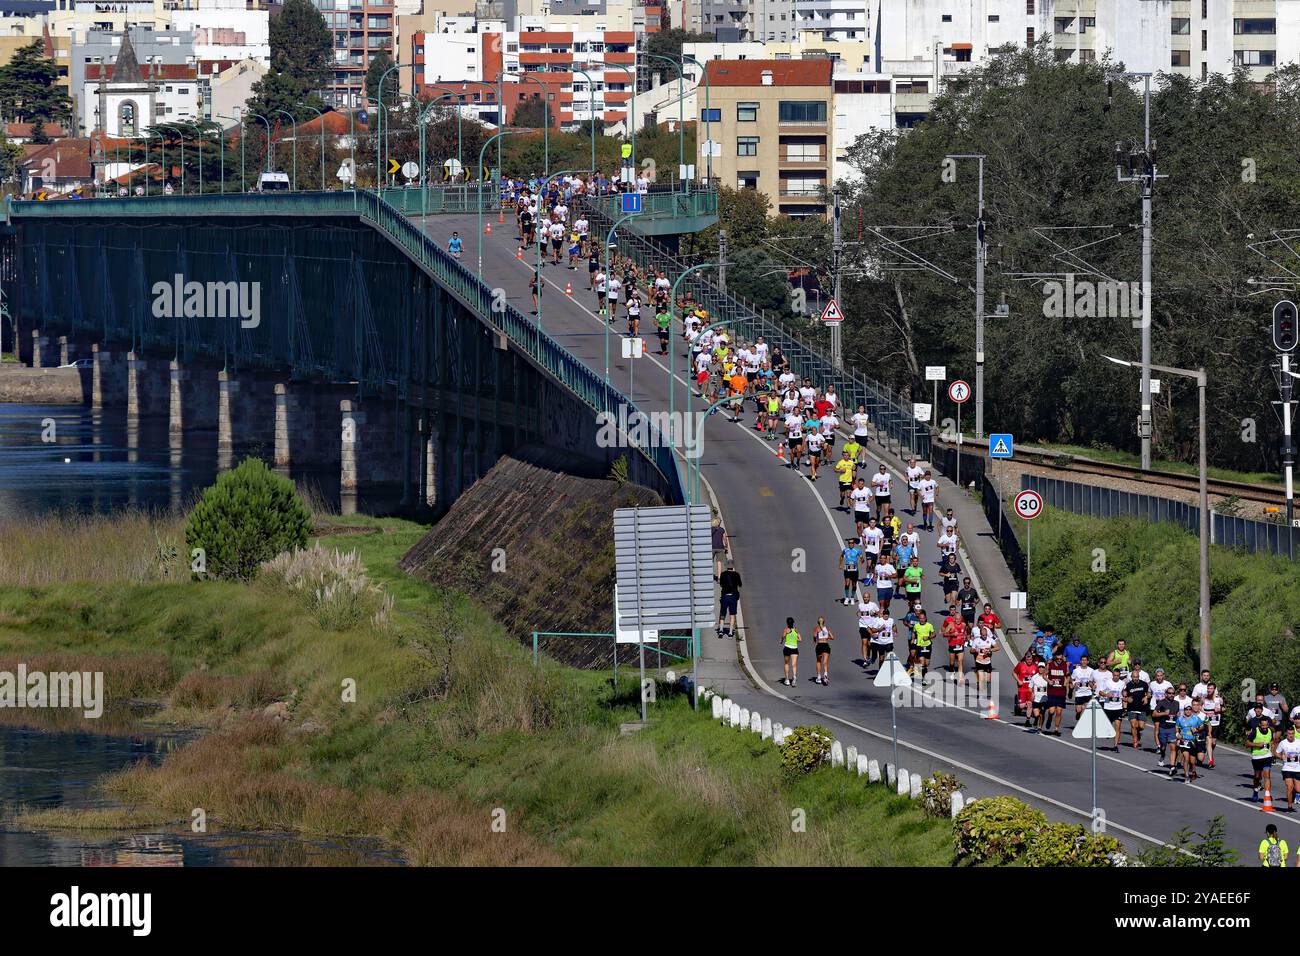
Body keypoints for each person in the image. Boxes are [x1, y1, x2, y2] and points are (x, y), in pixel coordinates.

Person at [1174, 703, 1204, 782]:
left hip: (1193, 741)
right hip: (1184, 741)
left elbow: (1202, 726)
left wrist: (1197, 729)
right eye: (1186, 709)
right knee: (1186, 759)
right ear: (1184, 710)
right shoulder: (1180, 719)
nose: (1188, 711)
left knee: (1192, 761)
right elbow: (1177, 727)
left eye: (1189, 709)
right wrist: (1177, 735)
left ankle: (1193, 771)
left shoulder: (1196, 718)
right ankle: (1187, 776)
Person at [1250, 714, 1277, 802]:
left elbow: (1273, 742)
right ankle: (1255, 791)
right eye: (1263, 725)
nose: (1265, 727)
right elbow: (1246, 743)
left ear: (1268, 724)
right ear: (1260, 725)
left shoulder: (1270, 731)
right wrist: (1257, 744)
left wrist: (1273, 754)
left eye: (1266, 725)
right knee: (1257, 777)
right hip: (1256, 757)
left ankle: (1267, 794)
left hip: (1267, 756)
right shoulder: (1255, 731)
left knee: (1267, 775)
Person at [1044, 648, 1070, 735]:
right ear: (1055, 657)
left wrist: (1066, 682)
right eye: (1058, 659)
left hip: (1061, 692)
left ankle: (1056, 729)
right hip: (1052, 691)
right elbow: (1044, 675)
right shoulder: (1050, 665)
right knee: (1051, 711)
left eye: (1060, 659)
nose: (1059, 660)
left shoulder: (1064, 665)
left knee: (1059, 711)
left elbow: (1068, 675)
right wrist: (1049, 681)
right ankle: (1050, 718)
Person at [969, 623, 998, 699]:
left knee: (988, 680)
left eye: (985, 635)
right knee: (982, 679)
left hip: (987, 662)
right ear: (980, 634)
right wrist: (975, 650)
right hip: (979, 662)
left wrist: (990, 650)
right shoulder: (976, 640)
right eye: (983, 635)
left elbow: (997, 648)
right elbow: (970, 650)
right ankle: (981, 694)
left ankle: (980, 685)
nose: (984, 637)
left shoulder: (990, 640)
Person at [1124, 669, 1150, 750]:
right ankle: (1135, 741)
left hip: (1142, 708)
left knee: (1141, 726)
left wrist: (1146, 697)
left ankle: (1138, 733)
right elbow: (1124, 696)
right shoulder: (1128, 685)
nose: (1135, 678)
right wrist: (1127, 699)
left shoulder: (1144, 684)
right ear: (1131, 677)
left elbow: (1149, 693)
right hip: (1131, 708)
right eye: (1134, 677)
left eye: (1137, 677)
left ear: (1139, 676)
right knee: (1133, 725)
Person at [1276, 725, 1300, 812]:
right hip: (1287, 768)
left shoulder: (1298, 742)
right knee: (1289, 787)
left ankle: (1295, 791)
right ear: (1286, 734)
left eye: (1292, 734)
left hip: (1297, 768)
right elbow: (1276, 753)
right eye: (1289, 734)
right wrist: (1281, 756)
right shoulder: (1283, 743)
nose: (1291, 735)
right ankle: (1289, 806)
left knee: (1298, 789)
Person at [942, 604, 968, 684]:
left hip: (960, 646)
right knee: (952, 662)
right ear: (954, 619)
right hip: (952, 645)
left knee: (960, 661)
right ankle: (951, 671)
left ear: (961, 619)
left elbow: (965, 633)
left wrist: (965, 638)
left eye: (959, 619)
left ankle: (960, 677)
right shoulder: (951, 625)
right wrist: (952, 635)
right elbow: (944, 634)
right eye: (956, 619)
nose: (958, 620)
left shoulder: (963, 625)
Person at [1152, 691, 1178, 769]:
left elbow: (1177, 714)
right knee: (1163, 747)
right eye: (1169, 693)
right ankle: (1162, 755)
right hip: (1163, 728)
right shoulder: (1161, 702)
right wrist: (1164, 713)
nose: (1171, 695)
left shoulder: (1176, 703)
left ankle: (1172, 766)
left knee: (1173, 747)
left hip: (1172, 728)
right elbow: (1154, 714)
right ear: (1166, 694)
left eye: (1173, 693)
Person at [717, 561, 741, 638]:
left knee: (723, 613)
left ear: (727, 566)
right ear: (733, 567)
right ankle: (730, 632)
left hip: (725, 596)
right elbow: (740, 584)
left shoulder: (723, 574)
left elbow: (720, 584)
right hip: (733, 596)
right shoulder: (736, 574)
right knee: (732, 615)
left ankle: (721, 630)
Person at [1014, 649, 1038, 723]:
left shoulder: (1035, 666)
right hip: (1022, 688)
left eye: (1030, 659)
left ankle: (1027, 721)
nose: (1029, 661)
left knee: (1030, 704)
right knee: (1022, 706)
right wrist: (1018, 680)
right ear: (1025, 658)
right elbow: (1014, 673)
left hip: (1031, 689)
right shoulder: (1020, 665)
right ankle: (1017, 703)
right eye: (1028, 659)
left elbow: (1038, 676)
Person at [910, 609, 934, 680]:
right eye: (920, 618)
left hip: (928, 646)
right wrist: (913, 639)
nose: (922, 620)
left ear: (925, 618)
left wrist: (928, 637)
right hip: (919, 646)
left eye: (923, 618)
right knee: (922, 662)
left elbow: (934, 634)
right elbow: (914, 633)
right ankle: (923, 679)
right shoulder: (916, 626)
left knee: (926, 664)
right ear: (919, 619)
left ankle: (923, 674)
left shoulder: (929, 625)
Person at [839, 538, 863, 606]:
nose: (851, 544)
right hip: (847, 569)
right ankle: (847, 598)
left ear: (854, 544)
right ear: (848, 544)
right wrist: (840, 564)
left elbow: (862, 558)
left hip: (854, 570)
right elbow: (841, 556)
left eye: (852, 543)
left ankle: (852, 597)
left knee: (854, 584)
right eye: (849, 543)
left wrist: (862, 560)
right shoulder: (845, 550)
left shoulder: (857, 550)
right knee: (847, 583)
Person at [1071, 654, 1095, 720]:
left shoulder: (1091, 671)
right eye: (1082, 660)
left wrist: (1093, 685)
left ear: (1088, 662)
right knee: (1078, 710)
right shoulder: (1076, 671)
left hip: (1088, 692)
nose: (1084, 662)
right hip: (1079, 693)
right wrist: (1074, 683)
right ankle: (1078, 714)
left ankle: (1084, 723)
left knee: (1087, 711)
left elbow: (1094, 680)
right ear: (1080, 661)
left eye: (1085, 660)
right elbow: (1072, 679)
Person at [813, 616, 834, 686]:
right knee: (825, 662)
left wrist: (815, 641)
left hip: (819, 645)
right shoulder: (827, 629)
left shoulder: (817, 628)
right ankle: (825, 675)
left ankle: (819, 677)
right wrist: (827, 637)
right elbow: (832, 637)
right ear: (824, 622)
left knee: (819, 661)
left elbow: (814, 636)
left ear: (818, 622)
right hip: (826, 645)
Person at [780, 617, 801, 687]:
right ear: (793, 623)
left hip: (787, 648)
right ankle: (794, 676)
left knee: (786, 663)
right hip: (794, 648)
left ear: (787, 623)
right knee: (794, 664)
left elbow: (782, 637)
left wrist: (781, 640)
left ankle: (787, 680)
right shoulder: (796, 630)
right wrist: (795, 638)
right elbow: (800, 639)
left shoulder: (786, 630)